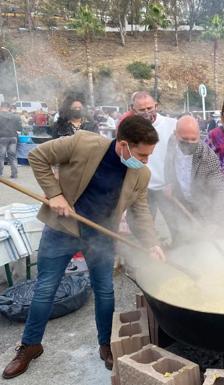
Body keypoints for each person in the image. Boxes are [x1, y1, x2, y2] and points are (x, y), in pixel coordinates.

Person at [1, 116, 165, 380]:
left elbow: (141, 212)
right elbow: (38, 157)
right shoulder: (82, 143)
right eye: (142, 155)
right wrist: (55, 195)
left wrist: (152, 243)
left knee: (105, 291)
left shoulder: (140, 174)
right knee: (45, 289)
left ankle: (105, 344)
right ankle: (30, 345)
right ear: (123, 145)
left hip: (101, 236)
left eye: (149, 156)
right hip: (61, 230)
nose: (146, 161)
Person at [164, 115, 224, 243]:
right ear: (176, 135)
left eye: (193, 139)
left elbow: (221, 190)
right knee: (181, 240)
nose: (189, 144)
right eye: (184, 139)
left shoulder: (208, 157)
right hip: (180, 202)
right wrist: (169, 183)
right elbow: (168, 162)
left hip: (203, 208)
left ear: (199, 136)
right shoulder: (171, 142)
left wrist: (215, 222)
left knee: (202, 244)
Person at [125, 91, 178, 241]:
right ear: (133, 109)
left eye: (150, 108)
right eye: (142, 110)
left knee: (178, 227)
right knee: (143, 230)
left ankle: (182, 254)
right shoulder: (129, 129)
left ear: (156, 105)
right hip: (143, 188)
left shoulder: (172, 124)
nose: (147, 112)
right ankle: (148, 258)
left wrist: (173, 182)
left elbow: (180, 157)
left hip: (168, 186)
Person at [0, 102, 20, 178]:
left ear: (1, 107)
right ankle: (14, 174)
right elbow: (19, 128)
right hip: (13, 138)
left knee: (1, 156)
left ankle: (0, 174)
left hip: (2, 138)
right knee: (13, 156)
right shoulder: (16, 116)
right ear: (9, 108)